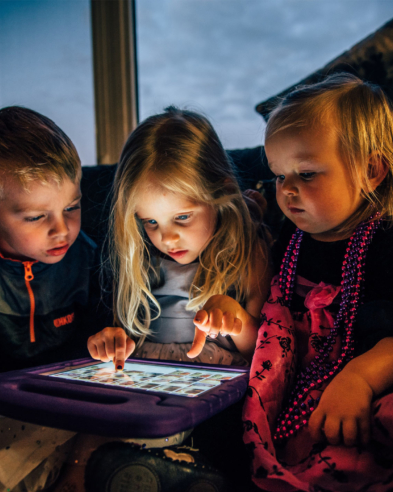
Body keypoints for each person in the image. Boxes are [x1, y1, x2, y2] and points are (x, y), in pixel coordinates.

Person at [209, 73, 393, 492]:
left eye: (306, 173)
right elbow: (270, 326)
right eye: (279, 176)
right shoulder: (288, 241)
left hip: (371, 381)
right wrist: (232, 314)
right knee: (219, 416)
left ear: (372, 171)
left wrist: (359, 380)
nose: (288, 191)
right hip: (292, 390)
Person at [0, 106, 107, 492]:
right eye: (37, 217)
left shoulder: (87, 256)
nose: (63, 229)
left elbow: (91, 356)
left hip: (64, 404)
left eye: (72, 207)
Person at [87, 106, 272, 369]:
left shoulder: (248, 251)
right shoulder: (139, 255)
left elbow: (264, 348)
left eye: (183, 217)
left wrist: (236, 317)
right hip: (147, 381)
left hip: (217, 386)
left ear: (221, 195)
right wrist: (112, 341)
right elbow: (126, 332)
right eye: (151, 222)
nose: (167, 238)